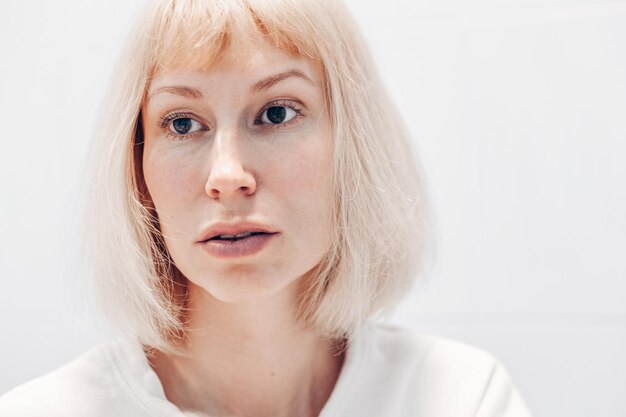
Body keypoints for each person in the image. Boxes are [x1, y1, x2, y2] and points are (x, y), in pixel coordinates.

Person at [0, 0, 533, 416]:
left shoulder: (460, 399)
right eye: (182, 123)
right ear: (137, 163)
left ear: (353, 144)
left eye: (276, 113)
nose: (227, 176)